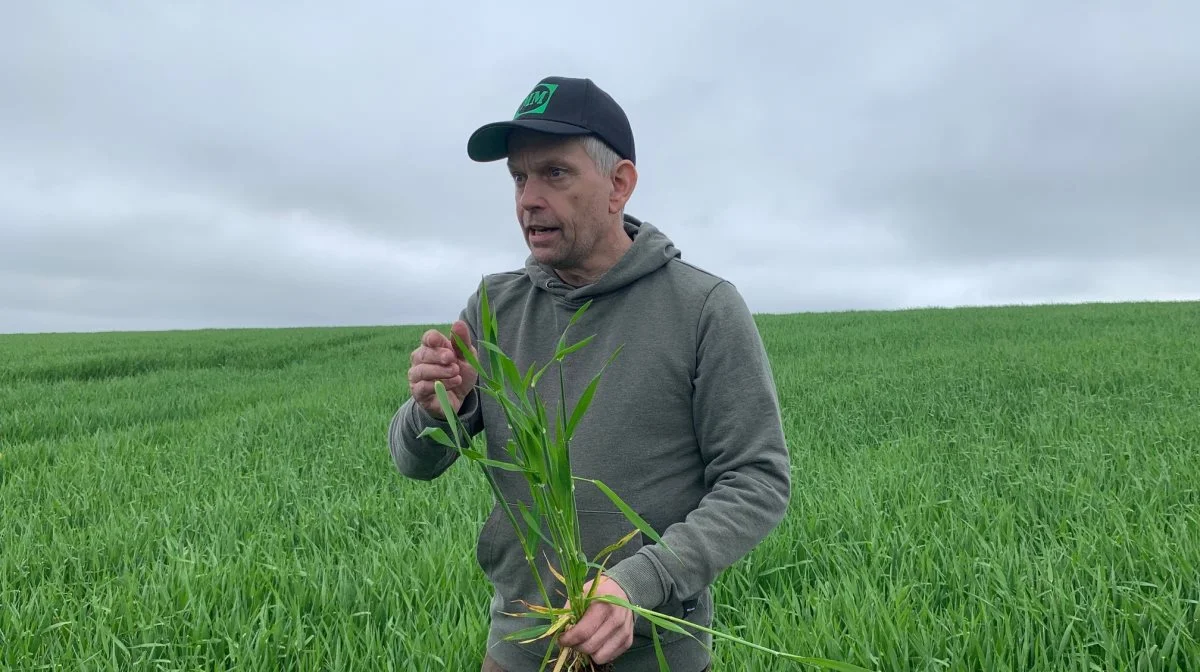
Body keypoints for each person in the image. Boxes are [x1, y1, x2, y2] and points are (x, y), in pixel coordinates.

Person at [389, 75, 792, 672]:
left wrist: (639, 583)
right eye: (519, 178)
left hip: (654, 652)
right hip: (518, 645)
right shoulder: (494, 308)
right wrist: (434, 410)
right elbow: (414, 463)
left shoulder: (703, 308)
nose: (528, 198)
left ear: (619, 184)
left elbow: (757, 481)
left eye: (555, 173)